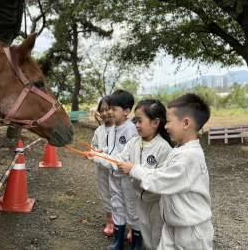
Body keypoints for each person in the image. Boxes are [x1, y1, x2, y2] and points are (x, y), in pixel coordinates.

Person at [119, 93, 214, 250]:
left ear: (186, 123)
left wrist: (135, 169)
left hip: (191, 230)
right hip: (173, 224)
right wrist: (138, 172)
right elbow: (159, 173)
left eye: (169, 121)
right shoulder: (179, 150)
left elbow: (160, 181)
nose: (166, 126)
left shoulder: (189, 156)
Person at [86, 99, 173, 250]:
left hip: (154, 202)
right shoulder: (134, 143)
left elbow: (162, 178)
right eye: (136, 120)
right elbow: (119, 159)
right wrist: (97, 157)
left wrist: (133, 170)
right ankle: (131, 245)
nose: (136, 125)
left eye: (139, 121)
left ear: (155, 122)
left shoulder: (163, 148)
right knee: (137, 221)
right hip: (138, 195)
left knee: (155, 232)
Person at [91, 90, 140, 250]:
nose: (110, 112)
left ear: (126, 111)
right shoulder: (113, 129)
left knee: (132, 207)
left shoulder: (131, 130)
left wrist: (98, 158)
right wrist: (102, 151)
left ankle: (136, 243)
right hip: (113, 175)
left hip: (126, 178)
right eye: (108, 108)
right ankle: (118, 242)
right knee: (117, 205)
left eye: (113, 109)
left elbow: (124, 156)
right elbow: (113, 148)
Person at [91, 96, 115, 237]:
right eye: (102, 110)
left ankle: (132, 226)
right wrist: (92, 152)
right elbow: (94, 146)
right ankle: (110, 222)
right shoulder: (99, 131)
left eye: (108, 109)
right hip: (102, 169)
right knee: (106, 194)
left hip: (119, 170)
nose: (105, 113)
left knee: (124, 196)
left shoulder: (120, 129)